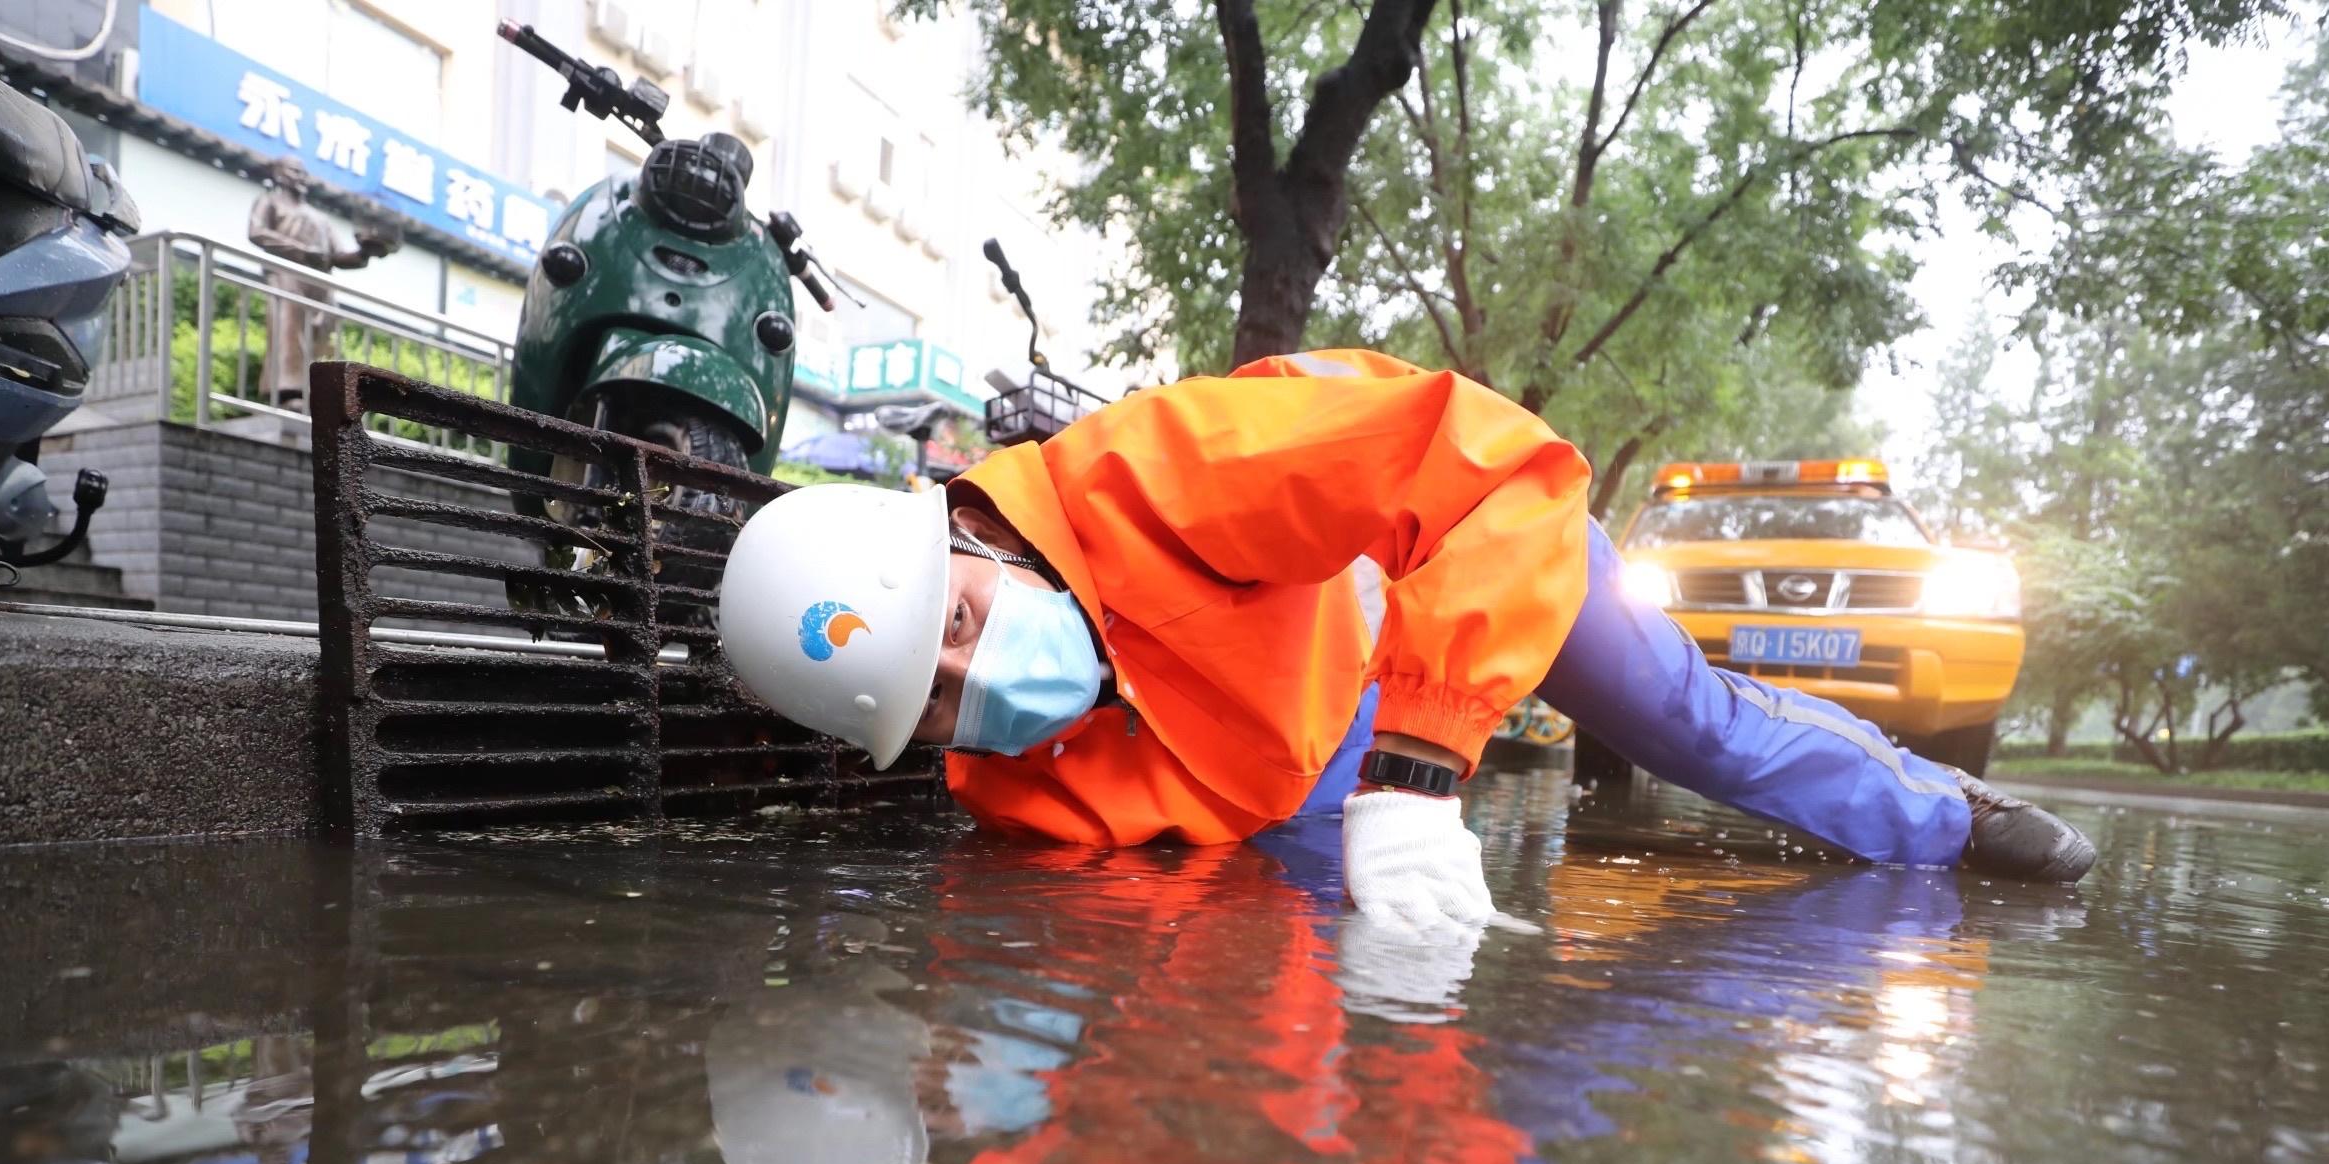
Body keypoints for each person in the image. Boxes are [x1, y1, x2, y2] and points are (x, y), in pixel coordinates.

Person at [718, 350, 2094, 934]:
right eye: (936, 703)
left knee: (1681, 721)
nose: (974, 684)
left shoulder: (1164, 473)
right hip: (1318, 717)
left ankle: (1942, 817)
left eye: (955, 626)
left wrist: (1426, 766)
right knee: (1330, 887)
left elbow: (1497, 475)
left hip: (1473, 543)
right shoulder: (1017, 791)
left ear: (965, 534)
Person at [244, 158, 397, 411]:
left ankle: (318, 396)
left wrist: (365, 252)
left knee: (322, 337)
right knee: (288, 332)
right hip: (286, 277)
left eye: (303, 172)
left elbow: (337, 256)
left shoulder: (320, 218)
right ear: (279, 175)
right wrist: (303, 251)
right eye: (294, 171)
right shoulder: (269, 201)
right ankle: (288, 392)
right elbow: (257, 232)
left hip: (320, 284)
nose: (300, 177)